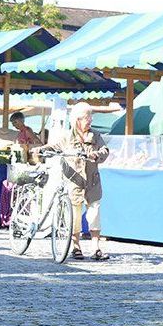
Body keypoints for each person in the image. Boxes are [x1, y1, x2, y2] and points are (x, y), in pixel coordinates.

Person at [62, 102, 110, 260]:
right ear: (77, 120)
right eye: (86, 118)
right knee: (75, 215)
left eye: (90, 117)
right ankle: (76, 247)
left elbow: (104, 150)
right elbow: (56, 146)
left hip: (92, 181)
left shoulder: (95, 135)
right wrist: (41, 150)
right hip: (75, 181)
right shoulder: (67, 136)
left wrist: (97, 155)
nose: (90, 120)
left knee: (94, 213)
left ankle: (96, 247)